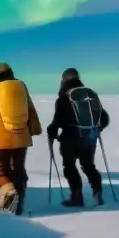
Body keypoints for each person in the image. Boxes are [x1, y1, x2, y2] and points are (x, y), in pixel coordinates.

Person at [0, 63, 42, 215]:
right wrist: (34, 129)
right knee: (19, 169)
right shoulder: (21, 89)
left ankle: (9, 192)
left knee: (1, 172)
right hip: (22, 139)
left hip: (1, 140)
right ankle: (19, 203)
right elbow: (31, 110)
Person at [47, 68, 109, 207]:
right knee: (88, 165)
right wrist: (97, 129)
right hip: (89, 138)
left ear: (64, 80)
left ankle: (77, 197)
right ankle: (97, 191)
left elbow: (58, 121)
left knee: (69, 167)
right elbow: (104, 118)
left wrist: (52, 133)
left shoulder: (63, 98)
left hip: (70, 138)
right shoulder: (90, 96)